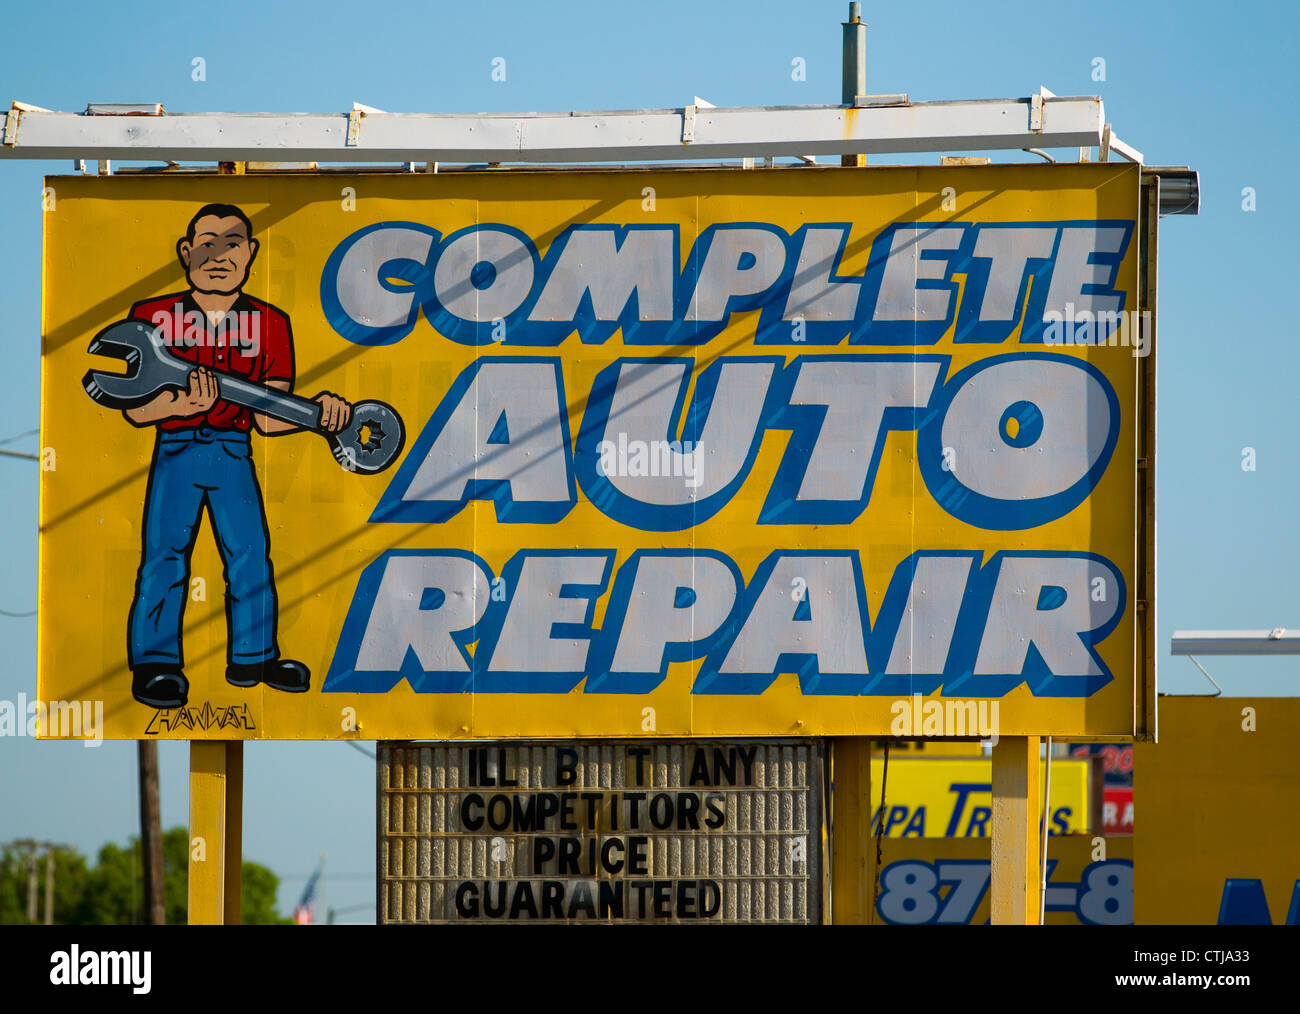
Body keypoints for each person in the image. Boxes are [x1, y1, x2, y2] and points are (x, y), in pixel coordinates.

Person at [121, 203, 352, 709]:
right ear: (186, 252)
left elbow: (269, 418)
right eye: (206, 242)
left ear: (251, 253)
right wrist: (182, 404)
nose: (218, 255)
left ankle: (255, 657)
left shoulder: (271, 323)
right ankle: (156, 665)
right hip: (176, 449)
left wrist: (321, 416)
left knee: (250, 555)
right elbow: (136, 412)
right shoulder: (151, 318)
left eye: (232, 243)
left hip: (233, 450)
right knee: (164, 556)